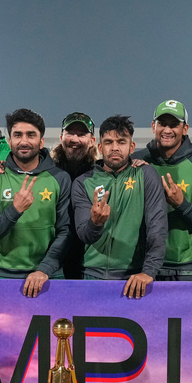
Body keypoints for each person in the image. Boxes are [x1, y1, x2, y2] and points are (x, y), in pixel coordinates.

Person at [0, 108, 71, 297]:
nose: (24, 141)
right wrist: (14, 210)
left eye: (31, 135)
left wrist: (43, 269)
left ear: (41, 141)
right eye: (17, 135)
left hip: (49, 277)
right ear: (9, 141)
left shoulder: (60, 178)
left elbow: (66, 231)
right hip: (4, 277)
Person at [72, 115, 166, 297]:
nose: (115, 147)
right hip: (92, 276)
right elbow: (84, 234)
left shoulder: (146, 175)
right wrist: (95, 223)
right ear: (99, 147)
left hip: (134, 277)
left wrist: (148, 271)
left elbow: (158, 227)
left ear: (132, 147)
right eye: (108, 142)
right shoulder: (82, 183)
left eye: (121, 142)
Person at [132, 99, 192, 280]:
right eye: (162, 124)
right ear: (153, 126)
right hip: (141, 264)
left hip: (183, 267)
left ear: (185, 129)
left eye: (174, 125)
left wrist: (181, 204)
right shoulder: (136, 161)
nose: (167, 130)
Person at [52, 112, 97, 280]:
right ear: (61, 136)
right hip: (51, 261)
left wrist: (136, 163)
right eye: (70, 133)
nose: (75, 139)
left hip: (87, 261)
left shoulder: (100, 172)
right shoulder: (47, 170)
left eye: (82, 134)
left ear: (92, 140)